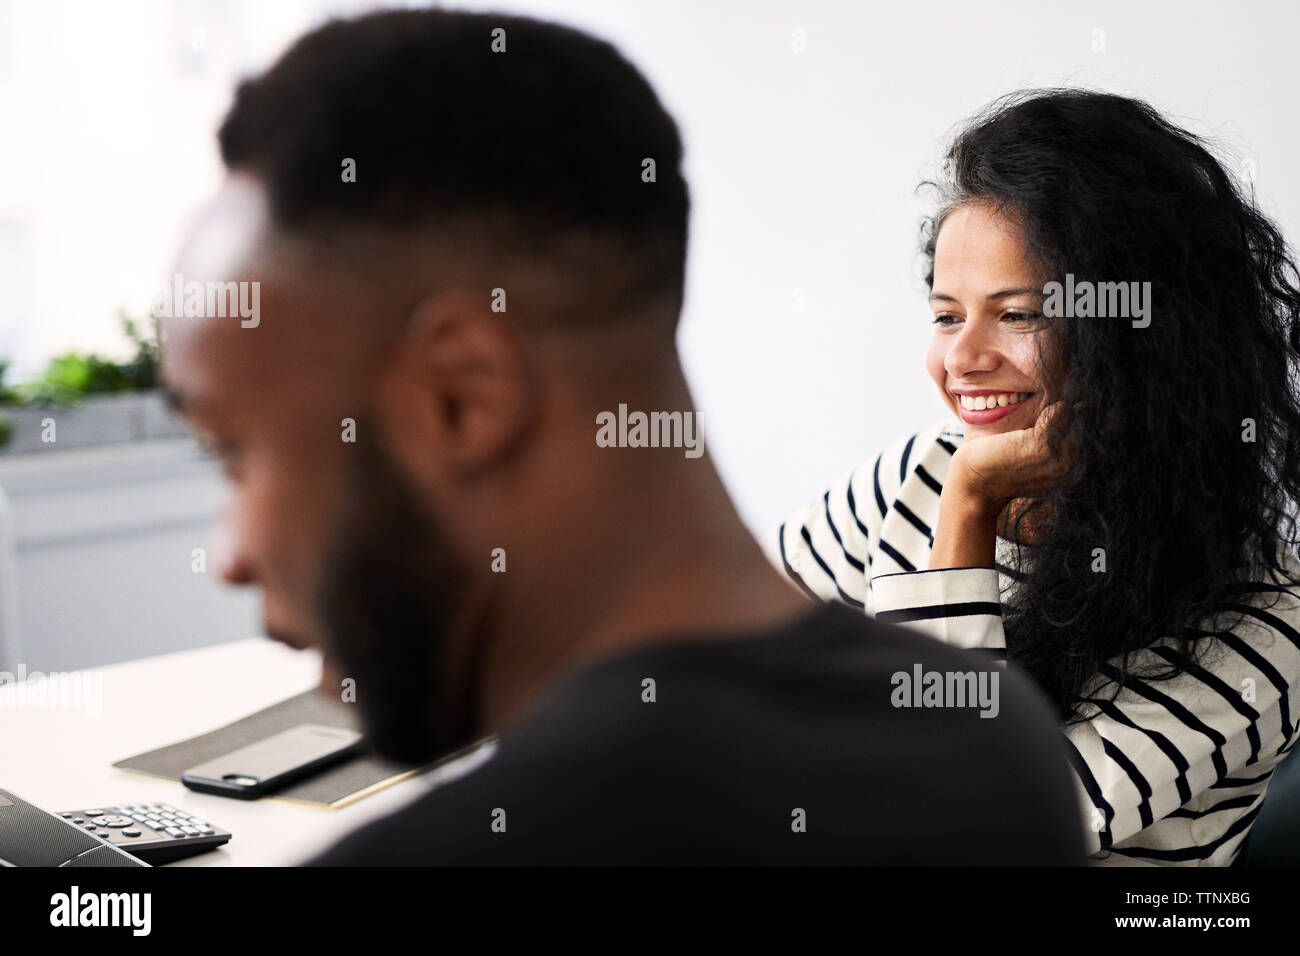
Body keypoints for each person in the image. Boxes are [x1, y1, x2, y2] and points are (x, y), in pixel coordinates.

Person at [160, 9, 1084, 865]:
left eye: (231, 454)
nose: (229, 557)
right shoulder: (1000, 749)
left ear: (464, 399)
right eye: (946, 313)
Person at [774, 90, 1300, 865]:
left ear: (1142, 337)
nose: (961, 359)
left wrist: (971, 506)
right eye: (948, 315)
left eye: (1018, 315)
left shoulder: (1260, 622)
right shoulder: (910, 474)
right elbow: (722, 656)